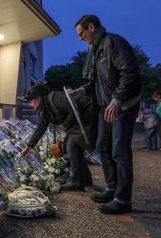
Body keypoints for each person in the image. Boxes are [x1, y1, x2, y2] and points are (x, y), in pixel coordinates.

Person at [73, 15, 142, 214]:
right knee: (103, 149)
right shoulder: (96, 51)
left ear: (91, 27)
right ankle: (112, 189)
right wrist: (82, 90)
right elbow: (97, 82)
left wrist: (117, 100)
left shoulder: (113, 42)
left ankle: (122, 200)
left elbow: (130, 74)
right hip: (106, 107)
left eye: (81, 33)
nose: (80, 38)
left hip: (123, 105)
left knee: (120, 152)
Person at [20, 84, 98, 191]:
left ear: (38, 97)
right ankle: (85, 180)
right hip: (78, 123)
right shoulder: (44, 110)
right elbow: (40, 129)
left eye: (31, 101)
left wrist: (65, 125)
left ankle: (78, 182)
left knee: (72, 147)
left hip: (88, 115)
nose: (30, 105)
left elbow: (74, 108)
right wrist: (28, 147)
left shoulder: (55, 98)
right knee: (74, 148)